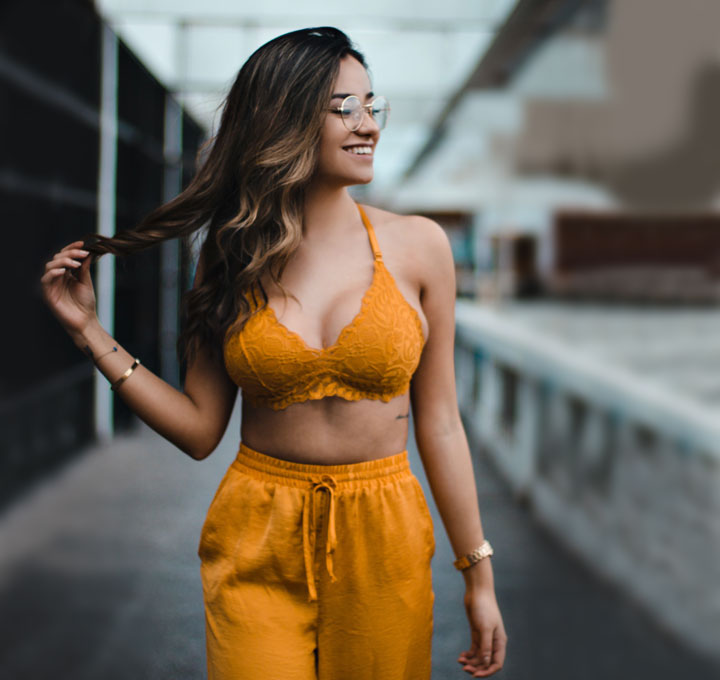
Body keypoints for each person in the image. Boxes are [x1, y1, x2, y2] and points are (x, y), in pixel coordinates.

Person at [40, 26, 506, 680]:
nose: (367, 123)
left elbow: (442, 422)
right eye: (344, 107)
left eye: (373, 105)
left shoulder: (420, 248)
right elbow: (202, 430)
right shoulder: (228, 258)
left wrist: (478, 575)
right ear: (286, 117)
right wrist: (90, 333)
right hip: (257, 532)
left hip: (384, 537)